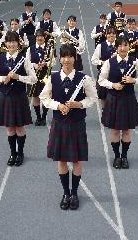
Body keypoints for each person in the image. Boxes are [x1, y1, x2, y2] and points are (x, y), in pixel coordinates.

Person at [40, 44, 97, 210]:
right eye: (63, 56)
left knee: (77, 160)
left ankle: (74, 193)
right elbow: (44, 97)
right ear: (59, 58)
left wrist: (79, 104)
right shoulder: (53, 78)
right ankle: (66, 192)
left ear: (75, 58)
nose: (66, 60)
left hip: (77, 123)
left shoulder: (84, 79)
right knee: (62, 160)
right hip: (59, 124)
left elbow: (93, 98)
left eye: (70, 56)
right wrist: (58, 106)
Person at [0, 31, 37, 166]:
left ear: (18, 43)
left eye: (14, 41)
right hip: (6, 97)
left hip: (19, 96)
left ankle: (20, 153)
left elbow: (34, 79)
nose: (11, 44)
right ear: (5, 44)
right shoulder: (0, 58)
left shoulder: (24, 59)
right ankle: (12, 153)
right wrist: (2, 78)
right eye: (8, 41)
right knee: (10, 128)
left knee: (20, 128)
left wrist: (19, 77)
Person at [99, 36, 138, 169]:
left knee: (126, 131)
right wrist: (113, 85)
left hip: (128, 99)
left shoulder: (135, 62)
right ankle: (116, 156)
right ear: (116, 47)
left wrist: (133, 80)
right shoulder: (109, 62)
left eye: (125, 45)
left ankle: (124, 156)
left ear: (128, 47)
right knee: (114, 131)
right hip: (113, 99)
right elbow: (101, 80)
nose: (123, 48)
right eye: (120, 46)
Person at [26, 29, 56, 126]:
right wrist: (34, 65)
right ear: (35, 37)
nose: (40, 38)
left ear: (45, 37)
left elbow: (54, 62)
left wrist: (46, 63)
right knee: (35, 97)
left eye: (41, 36)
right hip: (34, 76)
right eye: (38, 36)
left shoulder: (50, 48)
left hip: (45, 76)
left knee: (45, 96)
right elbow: (26, 63)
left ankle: (44, 117)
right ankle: (38, 117)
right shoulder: (30, 49)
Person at [91, 26, 117, 108]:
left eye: (113, 33)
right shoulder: (100, 46)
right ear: (106, 35)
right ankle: (104, 113)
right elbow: (94, 60)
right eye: (109, 33)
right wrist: (103, 62)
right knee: (103, 96)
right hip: (103, 74)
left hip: (116, 75)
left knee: (116, 96)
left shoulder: (119, 45)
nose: (111, 35)